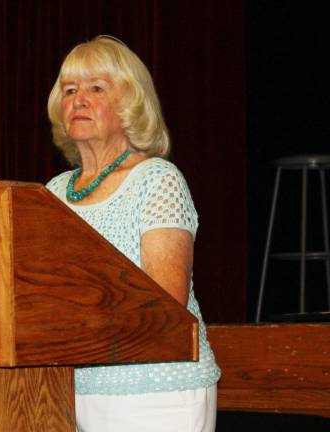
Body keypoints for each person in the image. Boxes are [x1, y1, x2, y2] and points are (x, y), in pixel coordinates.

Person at [45, 35, 221, 432]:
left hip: (157, 393)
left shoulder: (157, 180)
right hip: (68, 393)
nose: (79, 99)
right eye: (69, 89)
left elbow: (163, 303)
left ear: (130, 104)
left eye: (96, 88)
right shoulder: (53, 192)